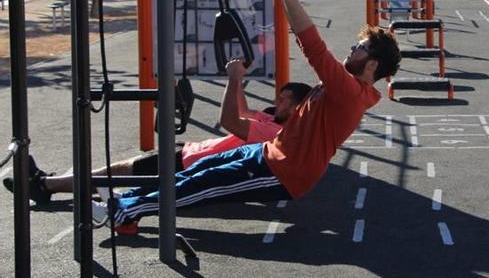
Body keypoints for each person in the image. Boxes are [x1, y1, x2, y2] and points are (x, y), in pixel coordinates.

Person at [92, 0, 401, 232]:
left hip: (284, 173)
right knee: (199, 169)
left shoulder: (349, 91)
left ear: (372, 65)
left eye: (358, 48)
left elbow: (312, 44)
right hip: (269, 152)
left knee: (201, 187)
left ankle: (123, 210)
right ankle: (125, 201)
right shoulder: (347, 86)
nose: (350, 50)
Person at [4, 72, 311, 204]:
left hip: (191, 164)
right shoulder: (270, 116)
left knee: (115, 174)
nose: (279, 103)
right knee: (115, 172)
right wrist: (239, 77)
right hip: (192, 152)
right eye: (280, 97)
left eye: (287, 101)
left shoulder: (277, 132)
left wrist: (233, 79)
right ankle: (51, 182)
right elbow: (241, 109)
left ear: (300, 108)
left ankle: (46, 185)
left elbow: (229, 119)